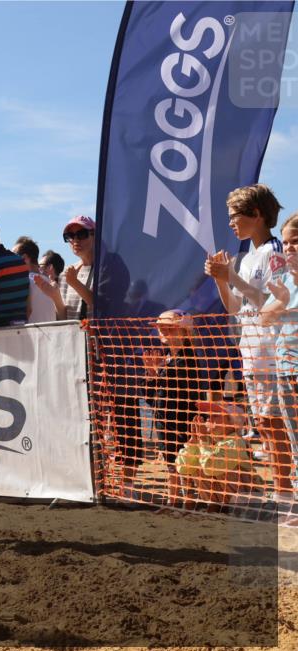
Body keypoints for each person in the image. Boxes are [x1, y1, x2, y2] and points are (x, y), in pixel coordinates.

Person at [205, 184, 291, 501]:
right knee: (265, 426)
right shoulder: (247, 258)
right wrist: (220, 278)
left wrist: (231, 277)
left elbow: (274, 302)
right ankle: (283, 492)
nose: (230, 223)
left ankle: (285, 494)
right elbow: (234, 308)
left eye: (234, 216)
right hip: (251, 351)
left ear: (255, 214)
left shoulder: (275, 252)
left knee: (276, 424)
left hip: (273, 353)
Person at [143, 310, 201, 506]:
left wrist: (158, 370)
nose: (164, 332)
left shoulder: (189, 356)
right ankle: (173, 501)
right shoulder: (165, 358)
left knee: (187, 461)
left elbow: (179, 383)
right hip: (164, 419)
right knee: (170, 462)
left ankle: (190, 501)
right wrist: (151, 374)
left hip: (185, 419)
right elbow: (151, 399)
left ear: (183, 332)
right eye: (161, 328)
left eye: (170, 328)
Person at [259, 212, 298, 497]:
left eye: (295, 241)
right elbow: (264, 317)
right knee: (294, 442)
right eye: (286, 243)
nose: (289, 248)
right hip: (285, 371)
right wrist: (283, 300)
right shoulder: (286, 279)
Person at [13, 236, 56, 324]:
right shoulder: (49, 283)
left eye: (13, 256)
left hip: (31, 336)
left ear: (25, 258)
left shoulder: (23, 281)